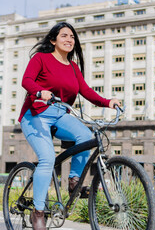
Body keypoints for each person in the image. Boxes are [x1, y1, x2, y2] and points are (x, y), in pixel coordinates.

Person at [18, 21, 120, 230]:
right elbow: (26, 80)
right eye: (64, 36)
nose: (69, 40)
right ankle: (38, 213)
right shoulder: (41, 59)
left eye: (72, 37)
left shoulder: (73, 67)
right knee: (47, 159)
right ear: (53, 40)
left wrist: (107, 101)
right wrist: (39, 91)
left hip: (60, 114)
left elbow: (86, 91)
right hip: (36, 114)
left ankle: (74, 181)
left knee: (85, 135)